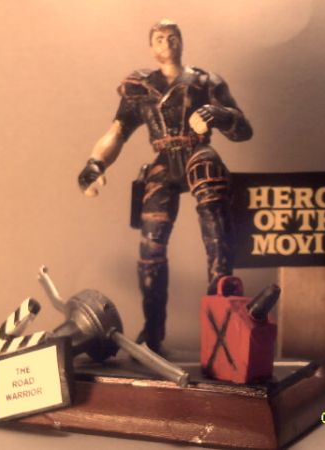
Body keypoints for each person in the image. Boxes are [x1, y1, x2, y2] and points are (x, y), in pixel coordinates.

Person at [78, 20, 253, 353]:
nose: (167, 43)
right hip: (163, 160)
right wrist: (95, 163)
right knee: (151, 246)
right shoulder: (140, 87)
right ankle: (153, 330)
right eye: (159, 38)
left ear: (181, 42)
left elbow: (243, 130)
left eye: (173, 37)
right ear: (151, 46)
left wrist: (218, 114)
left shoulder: (205, 81)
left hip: (197, 151)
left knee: (216, 227)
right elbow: (117, 132)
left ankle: (224, 318)